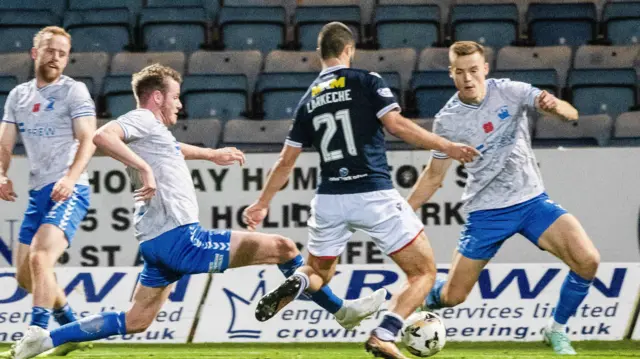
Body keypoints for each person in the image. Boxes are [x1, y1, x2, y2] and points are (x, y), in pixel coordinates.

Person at [12, 63, 385, 359]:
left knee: (136, 320)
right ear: (157, 97)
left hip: (158, 245)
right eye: (175, 97)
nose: (180, 104)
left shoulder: (154, 131)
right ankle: (341, 311)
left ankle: (44, 340)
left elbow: (173, 149)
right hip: (181, 239)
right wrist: (143, 169)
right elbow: (102, 136)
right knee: (286, 248)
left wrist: (210, 154)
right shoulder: (142, 118)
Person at [243, 22, 479, 359]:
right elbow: (397, 125)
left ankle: (299, 281)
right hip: (372, 194)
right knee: (423, 272)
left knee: (318, 272)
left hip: (328, 200)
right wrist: (447, 146)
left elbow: (285, 161)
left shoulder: (308, 99)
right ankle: (385, 334)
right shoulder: (366, 81)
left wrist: (261, 203)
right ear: (348, 50)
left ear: (320, 55)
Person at [406, 41, 600, 355]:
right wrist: (404, 210)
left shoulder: (511, 91)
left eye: (473, 70)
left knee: (588, 261)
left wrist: (558, 108)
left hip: (532, 201)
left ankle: (556, 329)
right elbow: (433, 176)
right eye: (459, 72)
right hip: (486, 212)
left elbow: (570, 112)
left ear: (485, 69)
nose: (467, 78)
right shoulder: (448, 120)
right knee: (453, 296)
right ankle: (419, 303)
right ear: (451, 74)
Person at [0, 26, 97, 358]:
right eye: (50, 50)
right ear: (34, 53)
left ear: (67, 59)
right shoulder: (18, 96)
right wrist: (2, 173)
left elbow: (88, 139)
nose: (56, 57)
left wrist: (71, 178)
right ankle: (73, 328)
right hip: (39, 191)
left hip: (70, 190)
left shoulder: (75, 92)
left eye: (62, 53)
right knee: (26, 276)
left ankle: (37, 333)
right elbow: (5, 142)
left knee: (41, 257)